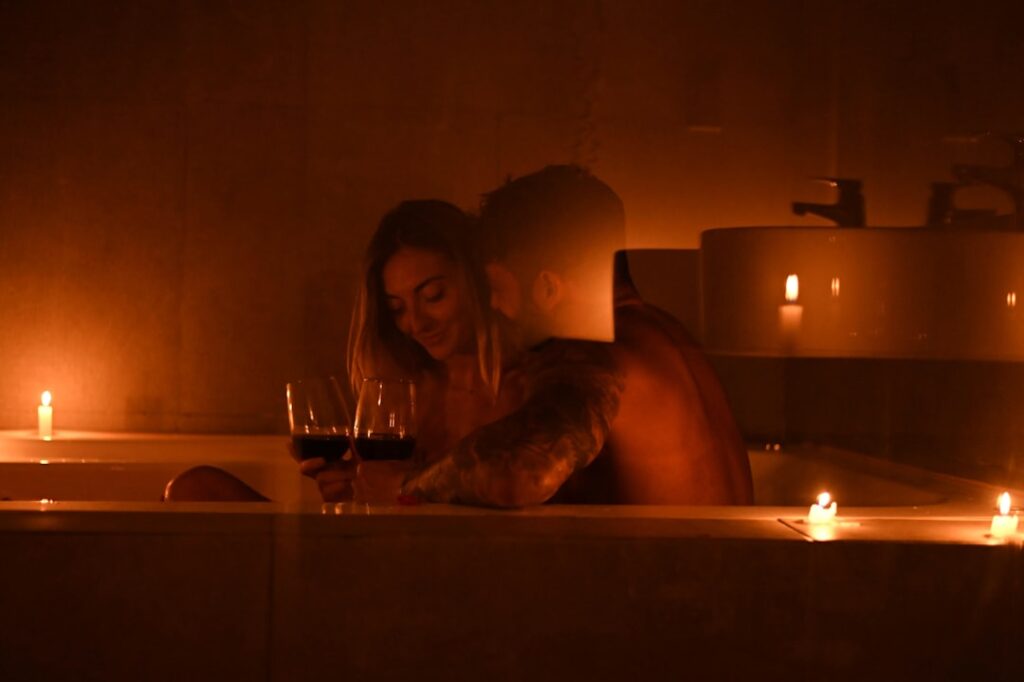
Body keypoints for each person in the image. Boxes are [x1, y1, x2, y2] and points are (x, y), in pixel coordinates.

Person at [402, 165, 754, 506]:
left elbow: (518, 474)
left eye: (497, 287)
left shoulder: (598, 351)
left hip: (677, 567)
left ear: (548, 288)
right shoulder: (667, 334)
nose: (493, 305)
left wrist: (404, 488)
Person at [164, 200, 524, 502]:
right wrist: (350, 488)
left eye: (433, 296)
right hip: (381, 557)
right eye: (397, 308)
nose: (415, 323)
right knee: (194, 488)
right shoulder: (407, 390)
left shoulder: (522, 389)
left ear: (477, 281)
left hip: (444, 568)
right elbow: (381, 504)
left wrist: (398, 491)